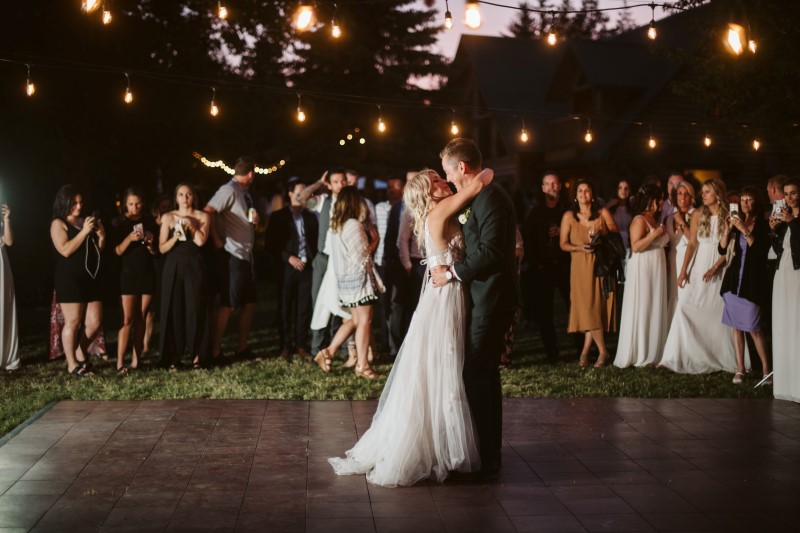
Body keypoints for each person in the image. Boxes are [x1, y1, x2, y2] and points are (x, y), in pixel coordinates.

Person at [329, 167, 493, 486]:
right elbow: (482, 178)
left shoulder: (438, 211)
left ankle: (444, 445)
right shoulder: (440, 209)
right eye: (436, 180)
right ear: (428, 193)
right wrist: (470, 167)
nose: (443, 181)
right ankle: (449, 451)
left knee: (440, 367)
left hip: (445, 292)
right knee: (444, 367)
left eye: (440, 177)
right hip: (445, 297)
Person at [430, 138, 520, 476]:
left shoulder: (493, 198)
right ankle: (486, 448)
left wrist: (452, 272)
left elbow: (493, 251)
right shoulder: (482, 196)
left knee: (478, 371)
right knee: (481, 372)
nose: (449, 179)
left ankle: (486, 452)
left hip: (493, 298)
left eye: (448, 172)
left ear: (462, 168)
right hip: (483, 296)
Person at [660, 178, 737, 374]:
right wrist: (684, 270)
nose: (702, 195)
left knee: (716, 313)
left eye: (707, 192)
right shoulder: (697, 214)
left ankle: (717, 356)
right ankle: (677, 355)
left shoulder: (728, 215)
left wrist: (716, 267)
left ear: (717, 194)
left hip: (720, 265)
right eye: (702, 191)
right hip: (699, 264)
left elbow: (730, 248)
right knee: (685, 307)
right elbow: (692, 244)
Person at [313, 187, 383, 377]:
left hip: (346, 282)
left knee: (354, 320)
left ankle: (328, 351)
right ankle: (363, 366)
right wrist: (375, 241)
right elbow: (361, 256)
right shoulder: (353, 225)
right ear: (354, 202)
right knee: (365, 321)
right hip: (358, 282)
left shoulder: (337, 225)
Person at [205, 156, 259, 363]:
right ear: (251, 174)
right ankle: (215, 352)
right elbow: (209, 210)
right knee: (228, 304)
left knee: (251, 302)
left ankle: (241, 347)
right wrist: (217, 240)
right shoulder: (228, 190)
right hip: (233, 254)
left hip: (247, 256)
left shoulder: (244, 193)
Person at [560, 179, 619, 367]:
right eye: (580, 191)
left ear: (592, 194)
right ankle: (603, 351)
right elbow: (563, 244)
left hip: (600, 265)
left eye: (587, 190)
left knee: (594, 307)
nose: (583, 194)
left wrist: (600, 235)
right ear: (575, 195)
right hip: (579, 266)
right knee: (587, 306)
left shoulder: (602, 212)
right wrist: (579, 248)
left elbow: (614, 233)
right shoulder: (569, 216)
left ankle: (585, 353)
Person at [50, 185, 105, 377]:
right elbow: (65, 250)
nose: (79, 206)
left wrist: (101, 236)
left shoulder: (86, 221)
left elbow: (98, 249)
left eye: (81, 202)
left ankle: (81, 350)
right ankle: (72, 364)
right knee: (73, 321)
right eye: (74, 203)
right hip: (69, 277)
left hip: (90, 275)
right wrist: (83, 232)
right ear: (65, 202)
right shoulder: (58, 223)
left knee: (95, 322)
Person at [718, 187, 771, 384]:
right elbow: (721, 248)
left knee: (755, 328)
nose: (745, 203)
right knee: (736, 327)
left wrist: (743, 229)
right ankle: (740, 369)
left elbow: (759, 250)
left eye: (749, 199)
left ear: (757, 202)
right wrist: (727, 229)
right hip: (734, 281)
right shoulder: (736, 221)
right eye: (742, 199)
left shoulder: (762, 224)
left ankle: (767, 370)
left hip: (751, 282)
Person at [613, 184, 669, 368]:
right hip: (644, 268)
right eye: (660, 198)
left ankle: (654, 352)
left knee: (654, 305)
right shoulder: (639, 220)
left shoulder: (654, 218)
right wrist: (657, 235)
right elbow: (636, 247)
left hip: (656, 268)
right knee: (644, 305)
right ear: (651, 200)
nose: (662, 202)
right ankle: (641, 352)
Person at [521, 172, 574, 362]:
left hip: (565, 265)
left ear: (560, 186)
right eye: (547, 184)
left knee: (573, 308)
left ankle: (579, 347)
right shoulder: (535, 213)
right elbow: (527, 239)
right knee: (545, 313)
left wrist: (563, 232)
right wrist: (537, 264)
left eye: (554, 183)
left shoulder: (568, 210)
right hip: (543, 268)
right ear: (543, 188)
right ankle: (552, 353)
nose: (552, 187)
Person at [158, 184, 210, 370]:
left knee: (195, 307)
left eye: (188, 194)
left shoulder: (202, 216)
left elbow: (201, 242)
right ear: (176, 197)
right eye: (181, 194)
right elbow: (161, 248)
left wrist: (191, 226)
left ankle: (197, 356)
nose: (185, 197)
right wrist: (175, 236)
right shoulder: (168, 217)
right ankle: (173, 357)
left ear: (193, 197)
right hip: (173, 265)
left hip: (194, 265)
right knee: (174, 308)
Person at [265, 178, 318, 359]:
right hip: (287, 268)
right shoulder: (278, 217)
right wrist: (289, 257)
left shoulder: (311, 216)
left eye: (306, 190)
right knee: (285, 307)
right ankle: (285, 345)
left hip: (307, 268)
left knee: (304, 308)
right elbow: (271, 244)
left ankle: (301, 345)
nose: (303, 194)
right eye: (300, 191)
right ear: (290, 193)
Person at [112, 188, 157, 373]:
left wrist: (150, 243)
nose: (134, 207)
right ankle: (120, 362)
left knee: (141, 318)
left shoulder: (149, 222)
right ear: (125, 204)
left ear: (142, 203)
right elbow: (117, 251)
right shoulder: (120, 223)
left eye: (137, 203)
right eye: (131, 204)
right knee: (127, 319)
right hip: (129, 275)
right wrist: (130, 238)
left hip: (147, 274)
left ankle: (137, 360)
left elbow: (155, 252)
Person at [306, 169, 347, 358]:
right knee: (319, 302)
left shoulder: (353, 203)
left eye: (343, 180)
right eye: (336, 181)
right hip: (323, 259)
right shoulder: (323, 201)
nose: (341, 184)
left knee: (341, 303)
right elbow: (301, 199)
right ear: (329, 185)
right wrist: (318, 183)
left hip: (343, 260)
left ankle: (339, 346)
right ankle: (317, 347)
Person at [770, 177, 800, 403]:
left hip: (797, 275)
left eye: (793, 193)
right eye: (786, 194)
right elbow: (778, 251)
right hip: (782, 274)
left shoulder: (796, 220)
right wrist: (775, 231)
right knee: (784, 324)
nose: (789, 198)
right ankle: (785, 385)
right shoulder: (787, 219)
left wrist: (791, 222)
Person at [374, 176, 405, 358]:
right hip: (380, 261)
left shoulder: (404, 208)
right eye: (389, 187)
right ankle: (385, 342)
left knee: (397, 303)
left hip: (398, 261)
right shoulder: (379, 208)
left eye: (395, 186)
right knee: (383, 304)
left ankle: (396, 345)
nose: (392, 189)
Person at [144, 194, 173, 355]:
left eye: (169, 206)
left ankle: (167, 342)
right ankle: (146, 345)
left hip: (169, 266)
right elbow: (151, 250)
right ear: (157, 209)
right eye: (164, 207)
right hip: (154, 268)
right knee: (150, 311)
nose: (167, 210)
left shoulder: (175, 224)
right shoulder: (151, 226)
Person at [665, 181, 696, 319]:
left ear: (691, 197)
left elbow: (693, 240)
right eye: (679, 193)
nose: (683, 197)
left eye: (686, 194)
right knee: (672, 295)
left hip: (688, 258)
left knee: (684, 296)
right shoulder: (669, 217)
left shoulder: (696, 214)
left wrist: (682, 222)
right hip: (672, 260)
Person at [1, 203, 19, 374]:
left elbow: (9, 241)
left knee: (4, 310)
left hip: (2, 269)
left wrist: (6, 220)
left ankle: (8, 358)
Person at [606, 179, 633, 259]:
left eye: (626, 188)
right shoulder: (610, 207)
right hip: (614, 245)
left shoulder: (632, 208)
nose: (623, 191)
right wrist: (608, 206)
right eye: (620, 188)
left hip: (629, 245)